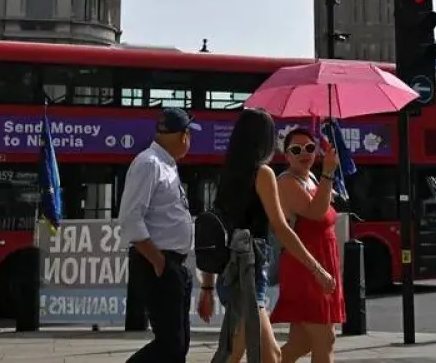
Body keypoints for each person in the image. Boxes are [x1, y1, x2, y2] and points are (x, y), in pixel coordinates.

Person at [198, 108, 336, 363]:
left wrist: (207, 286)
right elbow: (281, 227)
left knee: (234, 352)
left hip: (230, 274)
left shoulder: (228, 175)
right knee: (269, 355)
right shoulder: (263, 173)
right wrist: (317, 269)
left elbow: (216, 232)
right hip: (248, 276)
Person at [118, 108, 196, 363]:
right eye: (189, 134)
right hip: (157, 263)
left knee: (179, 345)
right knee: (170, 345)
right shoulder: (149, 163)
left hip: (172, 264)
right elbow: (131, 217)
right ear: (182, 135)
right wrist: (159, 262)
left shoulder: (167, 164)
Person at [272, 128, 344, 362]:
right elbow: (316, 212)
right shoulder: (286, 182)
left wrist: (327, 179)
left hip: (323, 261)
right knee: (325, 339)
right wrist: (328, 173)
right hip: (305, 266)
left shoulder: (311, 178)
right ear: (287, 156)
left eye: (310, 148)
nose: (304, 153)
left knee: (301, 342)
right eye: (296, 149)